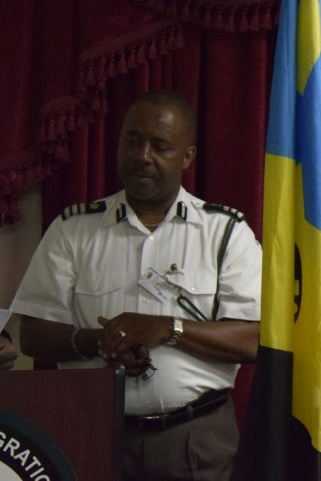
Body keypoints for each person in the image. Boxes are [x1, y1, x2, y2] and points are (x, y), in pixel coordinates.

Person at [11, 90, 261, 481]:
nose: (142, 155)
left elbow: (254, 340)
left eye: (160, 146)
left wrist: (167, 328)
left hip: (195, 438)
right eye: (132, 141)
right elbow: (33, 335)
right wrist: (103, 341)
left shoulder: (225, 232)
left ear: (187, 157)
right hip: (92, 431)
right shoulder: (73, 230)